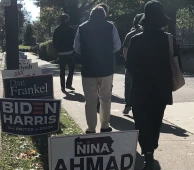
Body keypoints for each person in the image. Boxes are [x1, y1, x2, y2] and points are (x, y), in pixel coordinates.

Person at [126, 0, 180, 170]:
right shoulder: (169, 40)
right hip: (161, 89)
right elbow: (178, 64)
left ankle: (148, 156)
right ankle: (152, 148)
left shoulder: (135, 40)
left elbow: (130, 67)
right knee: (156, 121)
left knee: (141, 123)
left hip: (141, 89)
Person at [74, 6, 121, 134]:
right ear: (104, 15)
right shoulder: (110, 27)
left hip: (88, 68)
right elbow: (117, 45)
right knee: (105, 98)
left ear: (91, 15)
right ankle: (105, 125)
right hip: (106, 68)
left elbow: (76, 47)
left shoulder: (82, 27)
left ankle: (91, 128)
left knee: (90, 100)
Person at [122, 14, 144, 115]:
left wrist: (128, 62)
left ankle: (128, 105)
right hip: (143, 66)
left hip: (131, 65)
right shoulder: (146, 34)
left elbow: (125, 50)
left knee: (128, 86)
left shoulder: (130, 34)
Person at [52, 14, 76, 93]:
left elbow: (54, 42)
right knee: (71, 69)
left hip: (61, 53)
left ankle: (63, 87)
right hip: (69, 52)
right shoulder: (70, 29)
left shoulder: (57, 29)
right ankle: (68, 84)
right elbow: (74, 39)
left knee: (62, 70)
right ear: (66, 20)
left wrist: (56, 52)